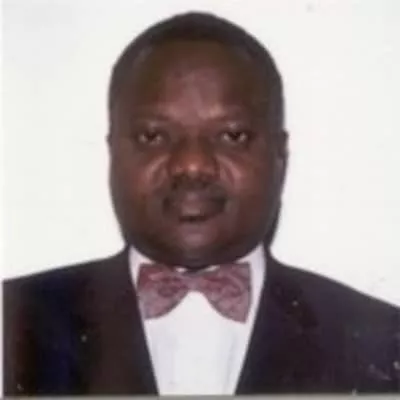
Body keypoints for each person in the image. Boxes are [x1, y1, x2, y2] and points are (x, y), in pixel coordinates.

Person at [3, 11, 400, 396]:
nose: (191, 165)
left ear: (280, 155)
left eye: (232, 135)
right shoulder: (14, 325)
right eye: (153, 136)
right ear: (113, 152)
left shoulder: (383, 340)